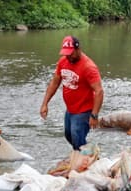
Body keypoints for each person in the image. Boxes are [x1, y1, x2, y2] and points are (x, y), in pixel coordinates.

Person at [39, 36, 104, 167]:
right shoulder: (63, 62)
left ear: (78, 49)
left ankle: (82, 163)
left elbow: (99, 91)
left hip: (84, 110)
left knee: (76, 137)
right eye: (65, 53)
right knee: (69, 135)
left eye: (70, 53)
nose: (68, 56)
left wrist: (94, 115)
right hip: (71, 109)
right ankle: (90, 156)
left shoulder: (88, 67)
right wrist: (45, 103)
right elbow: (55, 82)